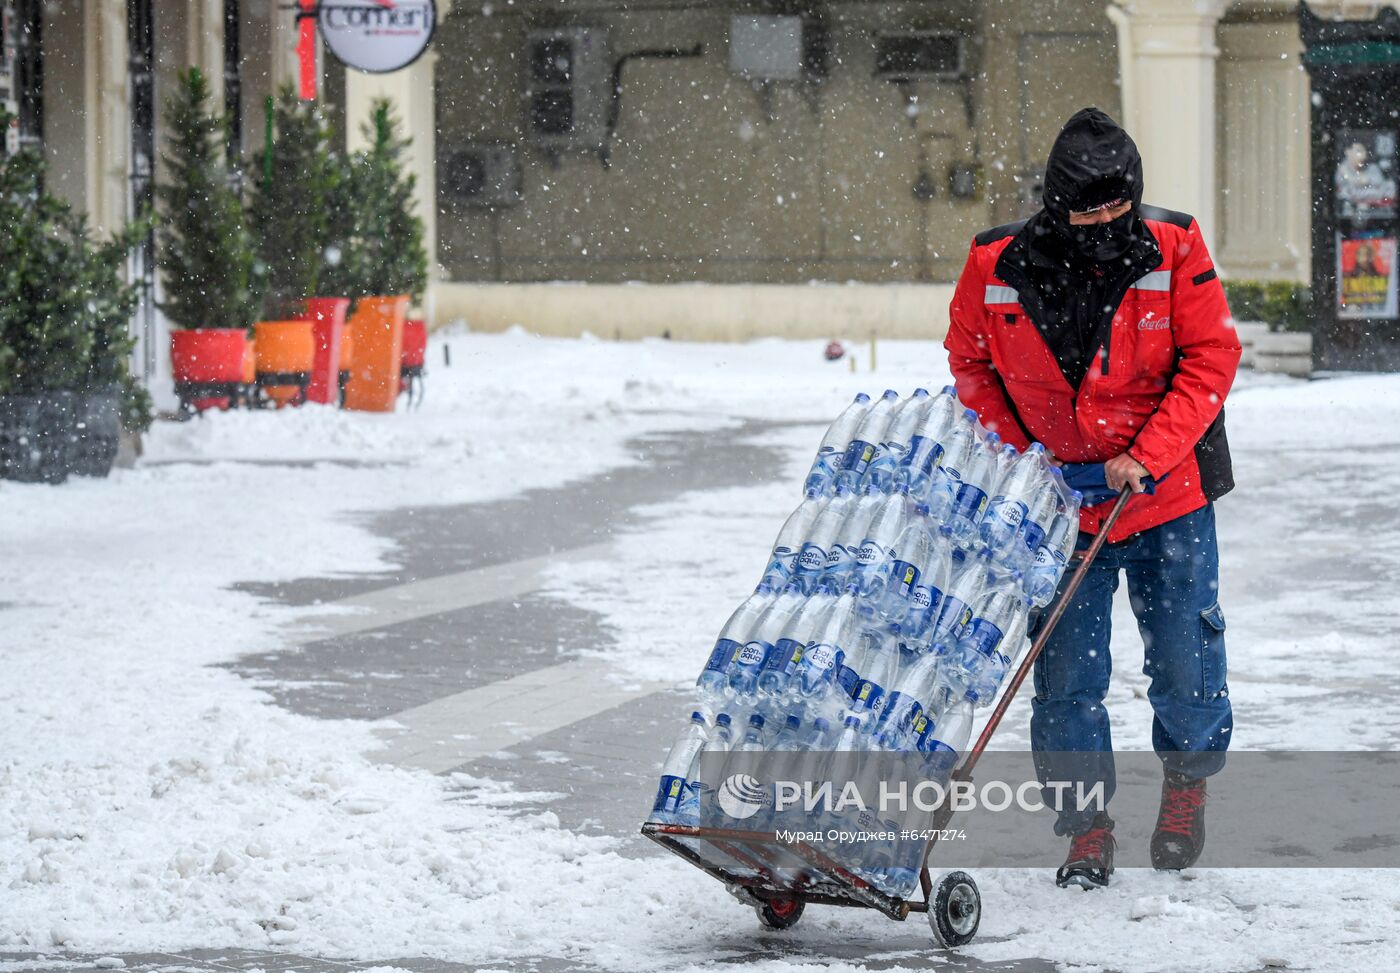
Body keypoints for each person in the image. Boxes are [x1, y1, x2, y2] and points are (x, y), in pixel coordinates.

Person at [944, 107, 1240, 889]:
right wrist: (1028, 459)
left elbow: (1211, 356)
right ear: (1055, 202)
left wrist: (1144, 455)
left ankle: (1185, 786)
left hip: (1165, 491)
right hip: (1058, 506)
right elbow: (971, 366)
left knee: (1185, 657)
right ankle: (1087, 825)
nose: (1104, 222)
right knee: (1066, 677)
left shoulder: (1173, 247)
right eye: (1087, 210)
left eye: (1118, 205)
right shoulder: (996, 264)